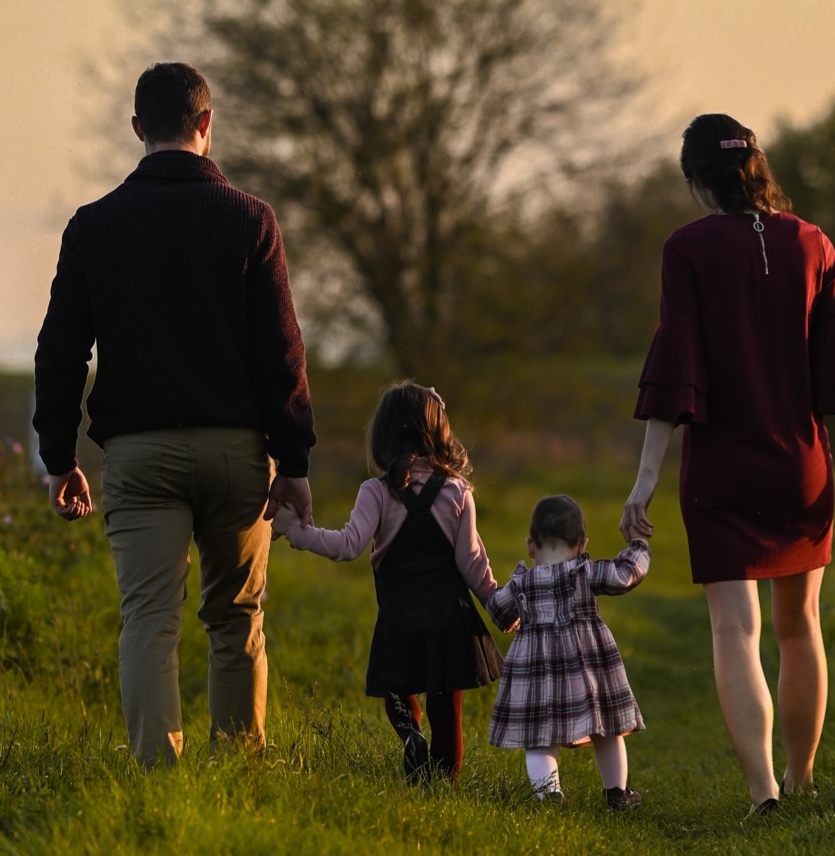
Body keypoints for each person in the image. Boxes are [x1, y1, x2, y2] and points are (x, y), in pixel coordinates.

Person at [33, 62, 316, 767]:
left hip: (138, 456)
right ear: (206, 125)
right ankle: (239, 768)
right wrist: (296, 460)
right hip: (236, 453)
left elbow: (60, 352)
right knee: (236, 618)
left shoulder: (93, 227)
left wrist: (59, 457)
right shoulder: (251, 220)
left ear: (137, 130)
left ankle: (158, 775)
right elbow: (281, 353)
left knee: (149, 622)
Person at [621, 113, 835, 816]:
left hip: (720, 466)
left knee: (733, 629)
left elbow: (674, 367)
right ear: (758, 168)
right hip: (801, 463)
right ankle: (802, 779)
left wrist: (644, 479)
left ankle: (762, 791)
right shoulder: (813, 243)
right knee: (801, 626)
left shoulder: (687, 249)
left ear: (695, 181)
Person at [271, 381, 501, 782]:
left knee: (398, 689)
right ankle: (443, 781)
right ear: (440, 432)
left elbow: (347, 546)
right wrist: (500, 605)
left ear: (382, 435)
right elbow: (471, 562)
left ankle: (411, 737)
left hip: (400, 613)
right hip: (450, 614)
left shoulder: (375, 492)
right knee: (446, 707)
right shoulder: (458, 491)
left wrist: (297, 531)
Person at [487, 493, 649, 810]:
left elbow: (498, 610)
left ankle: (549, 795)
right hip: (587, 670)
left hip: (536, 673)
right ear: (582, 546)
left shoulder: (522, 583)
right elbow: (626, 574)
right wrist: (639, 545)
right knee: (607, 728)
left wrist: (517, 616)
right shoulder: (585, 573)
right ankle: (616, 793)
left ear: (530, 546)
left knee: (539, 737)